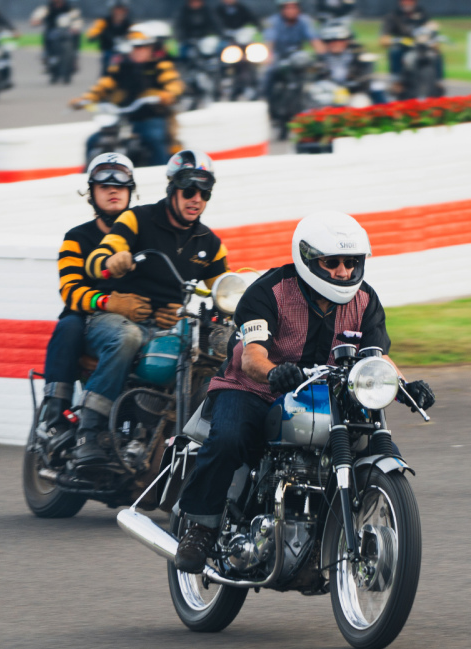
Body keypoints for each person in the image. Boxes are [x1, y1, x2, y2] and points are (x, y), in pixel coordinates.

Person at [171, 211, 436, 572]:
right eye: (333, 263)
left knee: (377, 444)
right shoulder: (268, 292)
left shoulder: (365, 301)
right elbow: (252, 358)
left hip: (329, 395)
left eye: (351, 263)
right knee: (230, 437)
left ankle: (333, 534)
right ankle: (201, 526)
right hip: (255, 389)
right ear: (308, 260)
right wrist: (274, 372)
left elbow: (378, 355)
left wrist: (403, 385)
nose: (343, 272)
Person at [73, 150, 228, 467]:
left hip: (165, 326)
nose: (196, 198)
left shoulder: (210, 244)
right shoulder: (137, 219)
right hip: (114, 317)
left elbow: (223, 289)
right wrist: (111, 261)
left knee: (210, 355)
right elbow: (95, 260)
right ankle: (88, 433)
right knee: (128, 337)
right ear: (172, 188)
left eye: (204, 191)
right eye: (188, 189)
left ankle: (160, 436)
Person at [36, 153, 149, 442]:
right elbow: (70, 290)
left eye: (120, 186)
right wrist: (109, 303)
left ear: (131, 191)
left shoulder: (146, 236)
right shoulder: (76, 237)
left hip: (137, 324)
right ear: (91, 193)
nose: (113, 191)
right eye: (104, 186)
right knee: (69, 324)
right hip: (88, 325)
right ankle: (54, 416)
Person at [71, 23, 183, 167]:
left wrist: (167, 95)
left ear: (152, 48)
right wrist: (86, 98)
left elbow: (174, 85)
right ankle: (88, 179)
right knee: (93, 141)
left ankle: (161, 175)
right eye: (134, 47)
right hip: (124, 119)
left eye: (141, 47)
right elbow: (105, 84)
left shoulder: (161, 66)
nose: (137, 51)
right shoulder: (121, 67)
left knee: (153, 138)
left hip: (150, 117)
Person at [262, 0, 322, 97]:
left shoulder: (304, 21)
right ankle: (268, 96)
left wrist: (322, 56)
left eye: (294, 7)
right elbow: (270, 42)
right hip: (280, 55)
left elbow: (315, 40)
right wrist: (269, 57)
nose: (291, 11)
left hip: (298, 54)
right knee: (270, 72)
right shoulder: (273, 22)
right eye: (287, 8)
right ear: (281, 9)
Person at [318, 22, 387, 103]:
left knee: (373, 89)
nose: (335, 43)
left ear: (347, 40)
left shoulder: (358, 55)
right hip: (330, 95)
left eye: (340, 40)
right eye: (330, 40)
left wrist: (353, 85)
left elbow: (366, 76)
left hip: (355, 93)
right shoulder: (321, 59)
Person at [380, 0, 438, 82]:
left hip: (420, 45)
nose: (407, 4)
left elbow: (431, 26)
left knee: (435, 54)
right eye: (405, 1)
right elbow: (384, 36)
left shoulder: (422, 13)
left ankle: (438, 81)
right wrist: (389, 40)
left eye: (410, 1)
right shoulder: (393, 15)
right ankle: (396, 80)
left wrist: (432, 36)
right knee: (395, 52)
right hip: (403, 45)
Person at [33, 0, 80, 75]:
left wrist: (75, 27)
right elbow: (39, 15)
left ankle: (75, 57)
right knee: (47, 36)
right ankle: (46, 55)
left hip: (66, 30)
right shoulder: (48, 7)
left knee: (76, 36)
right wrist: (36, 20)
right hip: (52, 30)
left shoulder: (69, 8)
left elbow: (77, 19)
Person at [86, 0, 133, 74]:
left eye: (122, 10)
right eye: (117, 10)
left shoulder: (129, 24)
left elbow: (136, 34)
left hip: (124, 52)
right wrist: (93, 35)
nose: (119, 13)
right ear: (112, 10)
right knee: (107, 64)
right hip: (108, 50)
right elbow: (94, 30)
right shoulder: (104, 21)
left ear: (126, 11)